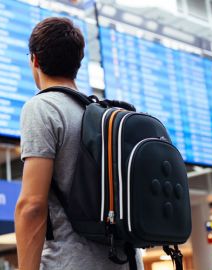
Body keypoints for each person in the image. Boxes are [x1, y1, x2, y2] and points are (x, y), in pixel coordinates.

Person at [15, 17, 144, 270]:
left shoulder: (43, 107)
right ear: (78, 64)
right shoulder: (103, 116)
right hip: (126, 262)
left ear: (35, 61)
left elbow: (31, 205)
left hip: (72, 262)